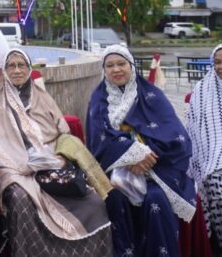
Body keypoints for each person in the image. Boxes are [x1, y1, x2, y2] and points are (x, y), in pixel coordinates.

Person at [0, 48, 112, 257]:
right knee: (21, 198)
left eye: (21, 65)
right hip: (11, 169)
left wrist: (58, 157)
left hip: (51, 162)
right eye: (11, 66)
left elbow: (62, 132)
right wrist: (23, 165)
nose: (17, 70)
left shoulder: (41, 96)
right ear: (4, 70)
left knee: (93, 201)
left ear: (29, 69)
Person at [87, 45, 196, 257]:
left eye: (121, 64)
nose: (116, 69)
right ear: (104, 70)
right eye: (110, 65)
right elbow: (98, 142)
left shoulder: (152, 95)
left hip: (157, 170)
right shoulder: (98, 101)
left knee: (156, 200)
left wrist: (146, 156)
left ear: (131, 66)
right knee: (114, 200)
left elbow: (174, 135)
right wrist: (130, 155)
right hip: (115, 172)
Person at [187, 43, 222, 254]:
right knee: (215, 180)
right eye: (217, 62)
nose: (220, 67)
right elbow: (193, 129)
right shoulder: (202, 90)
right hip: (210, 158)